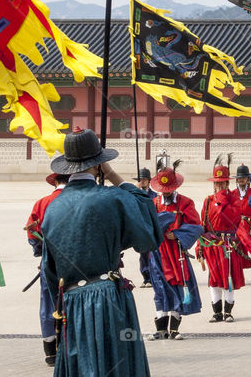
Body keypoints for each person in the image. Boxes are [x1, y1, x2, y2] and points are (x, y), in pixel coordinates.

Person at [41, 128, 163, 377]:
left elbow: (49, 271)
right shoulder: (112, 198)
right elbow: (148, 221)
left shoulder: (52, 209)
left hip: (71, 302)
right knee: (114, 364)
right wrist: (112, 174)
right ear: (98, 165)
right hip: (107, 298)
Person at [146, 163, 202, 341]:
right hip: (158, 253)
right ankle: (160, 328)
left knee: (178, 286)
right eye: (163, 190)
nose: (166, 193)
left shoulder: (186, 202)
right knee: (160, 288)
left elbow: (196, 225)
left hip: (176, 252)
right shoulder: (153, 203)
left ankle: (175, 328)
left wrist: (177, 234)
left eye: (169, 189)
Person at [25, 172, 68, 367]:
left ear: (55, 182)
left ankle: (50, 350)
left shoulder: (42, 202)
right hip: (75, 262)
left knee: (48, 301)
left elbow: (31, 234)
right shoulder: (78, 200)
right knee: (72, 299)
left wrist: (41, 252)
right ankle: (69, 346)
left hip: (49, 260)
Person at [198, 160, 248, 323]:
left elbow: (232, 219)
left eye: (222, 184)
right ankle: (216, 312)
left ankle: (228, 311)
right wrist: (200, 248)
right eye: (216, 184)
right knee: (214, 279)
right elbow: (202, 225)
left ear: (227, 184)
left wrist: (221, 200)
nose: (218, 187)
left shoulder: (235, 200)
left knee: (229, 277)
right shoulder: (207, 201)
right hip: (212, 246)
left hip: (228, 245)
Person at [231, 165, 251, 286]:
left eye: (243, 178)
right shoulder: (231, 194)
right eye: (239, 178)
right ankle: (236, 277)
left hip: (249, 226)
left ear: (248, 179)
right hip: (236, 227)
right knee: (234, 252)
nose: (241, 180)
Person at [134, 167, 156, 288]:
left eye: (144, 179)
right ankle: (146, 276)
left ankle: (153, 277)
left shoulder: (154, 195)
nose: (142, 181)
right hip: (140, 227)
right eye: (140, 179)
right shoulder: (134, 194)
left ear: (148, 181)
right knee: (143, 253)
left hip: (151, 226)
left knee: (152, 253)